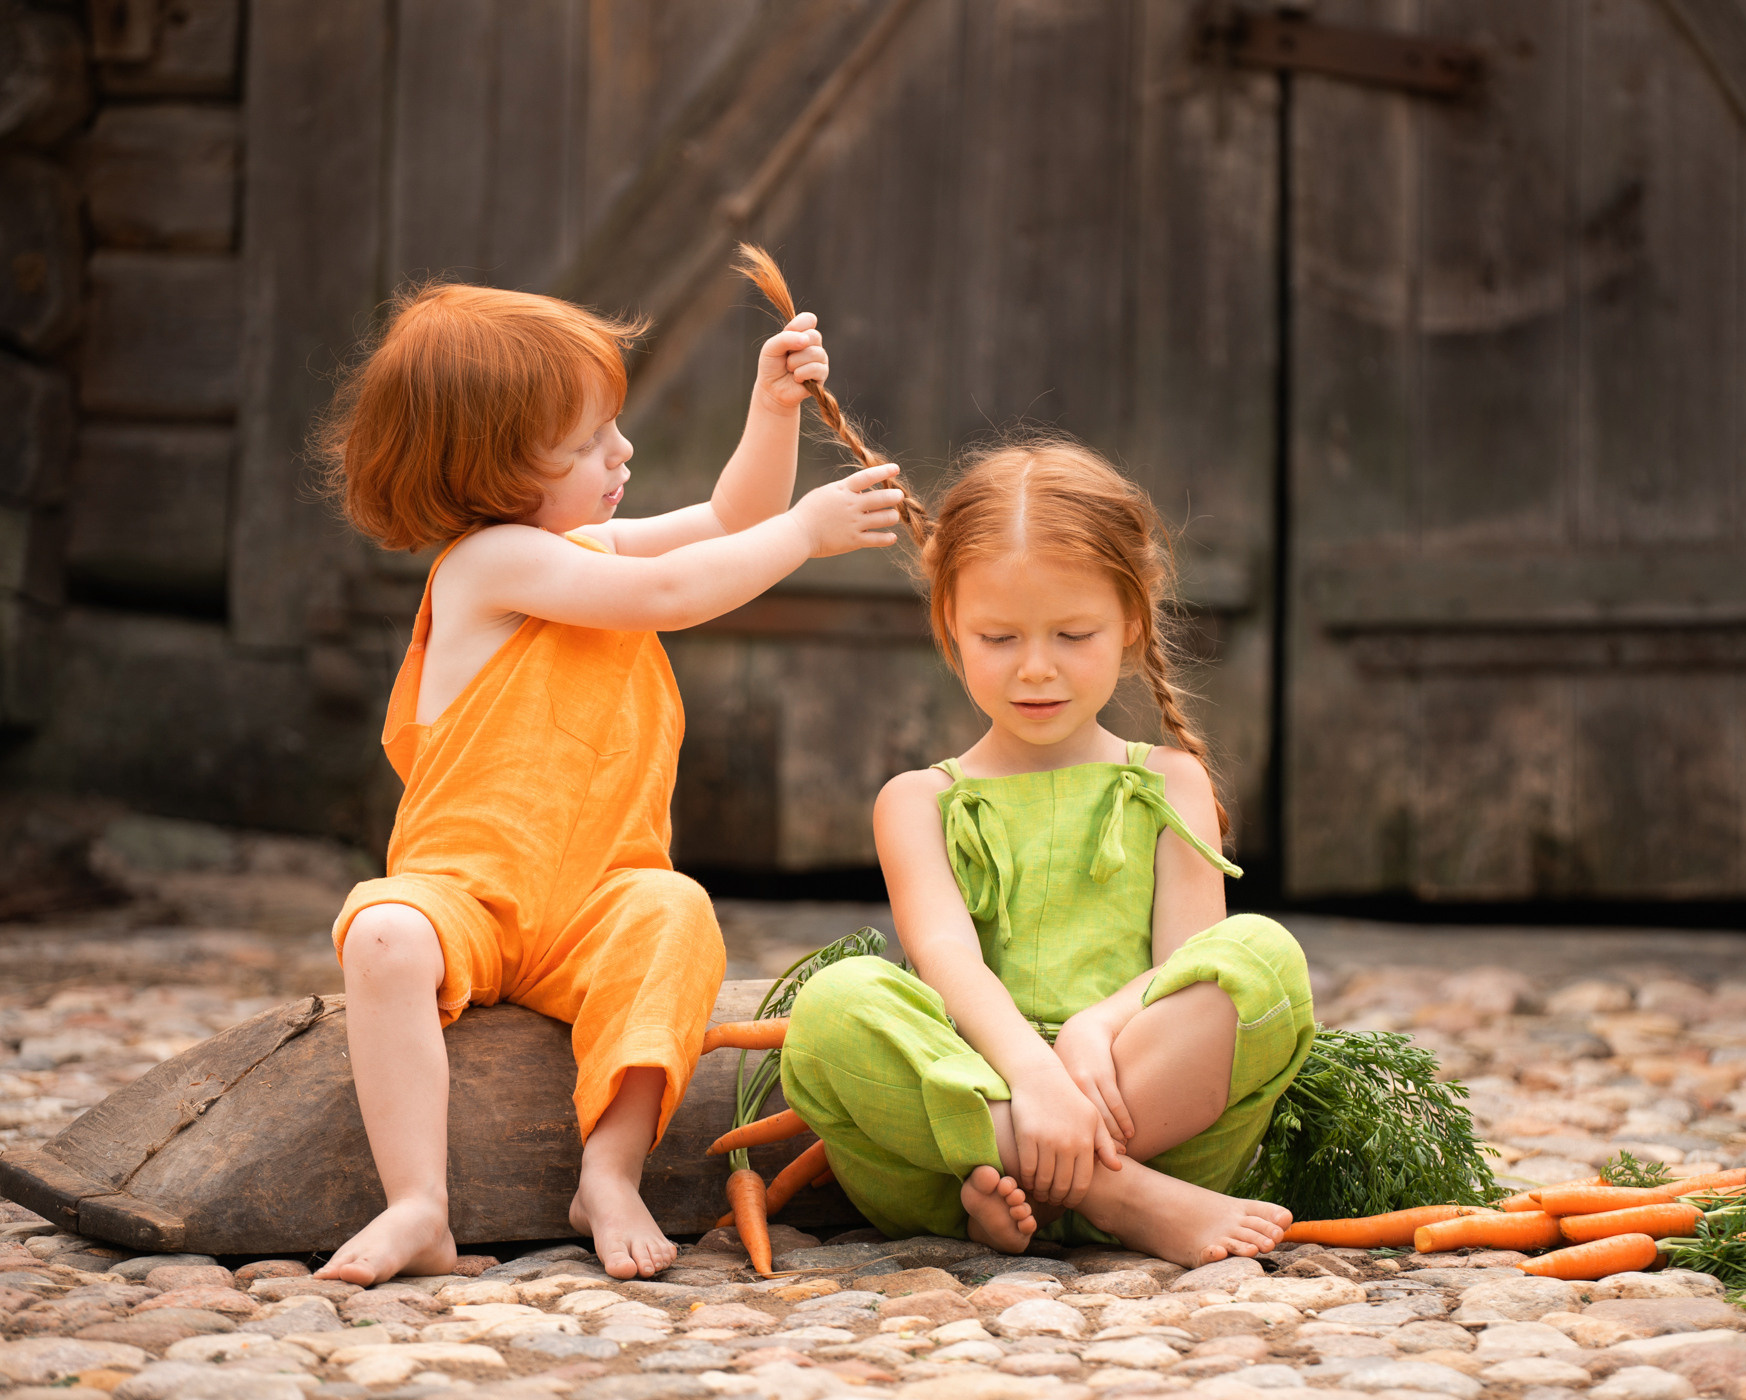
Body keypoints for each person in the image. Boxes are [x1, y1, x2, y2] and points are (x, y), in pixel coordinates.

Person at [312, 282, 904, 1284]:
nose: (619, 452)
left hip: (595, 900)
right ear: (487, 469)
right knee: (382, 930)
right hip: (470, 893)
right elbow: (670, 592)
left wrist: (771, 410)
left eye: (612, 428)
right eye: (587, 444)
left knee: (675, 912)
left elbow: (726, 518)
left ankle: (609, 1168)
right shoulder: (489, 565)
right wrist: (806, 536)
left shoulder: (575, 545)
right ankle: (419, 1200)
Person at [779, 437, 1315, 1267]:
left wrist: (1094, 1030)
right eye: (998, 638)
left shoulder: (1172, 782)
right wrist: (1031, 1076)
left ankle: (1034, 1184)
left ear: (1133, 619)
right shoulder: (918, 801)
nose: (1036, 669)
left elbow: (1185, 966)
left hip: (1142, 1109)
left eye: (1073, 633)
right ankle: (1116, 1198)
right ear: (950, 625)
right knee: (834, 1005)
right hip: (979, 1093)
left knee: (1261, 956)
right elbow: (947, 961)